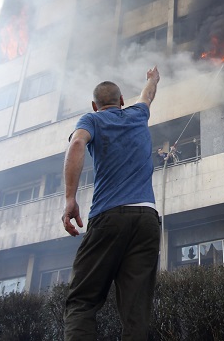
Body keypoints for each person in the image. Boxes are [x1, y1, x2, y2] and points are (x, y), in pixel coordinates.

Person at [61, 67, 162, 341]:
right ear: (121, 102)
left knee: (82, 300)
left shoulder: (91, 120)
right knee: (136, 311)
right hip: (147, 219)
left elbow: (77, 144)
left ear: (95, 106)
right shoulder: (138, 114)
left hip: (109, 217)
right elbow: (148, 95)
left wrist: (71, 199)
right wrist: (152, 78)